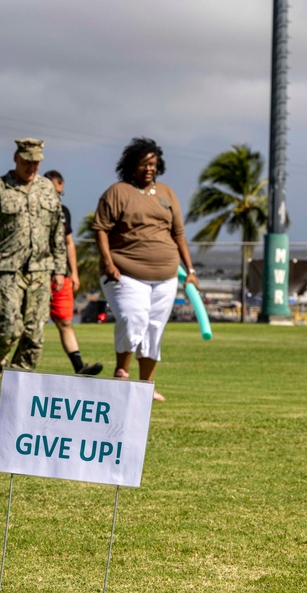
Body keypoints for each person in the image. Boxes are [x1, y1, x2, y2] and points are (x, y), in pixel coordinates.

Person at [91, 137, 200, 402]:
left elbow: (178, 233)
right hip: (125, 271)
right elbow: (101, 229)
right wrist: (108, 262)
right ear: (131, 165)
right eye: (143, 164)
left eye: (153, 164)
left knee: (154, 328)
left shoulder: (166, 193)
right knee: (133, 320)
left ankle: (146, 385)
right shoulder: (117, 192)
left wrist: (191, 270)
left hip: (166, 274)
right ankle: (122, 372)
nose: (149, 168)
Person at [0, 139, 66, 396]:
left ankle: (19, 381)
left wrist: (60, 269)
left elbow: (58, 231)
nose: (32, 167)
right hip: (8, 269)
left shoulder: (47, 189)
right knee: (10, 327)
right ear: (16, 158)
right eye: (27, 162)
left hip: (41, 269)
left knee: (35, 333)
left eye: (36, 162)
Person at [44, 170, 103, 376]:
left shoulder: (63, 212)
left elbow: (69, 243)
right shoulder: (32, 209)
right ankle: (16, 369)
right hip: (36, 275)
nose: (56, 197)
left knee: (65, 321)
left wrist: (74, 273)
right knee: (29, 324)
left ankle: (79, 366)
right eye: (52, 191)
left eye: (60, 193)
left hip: (61, 276)